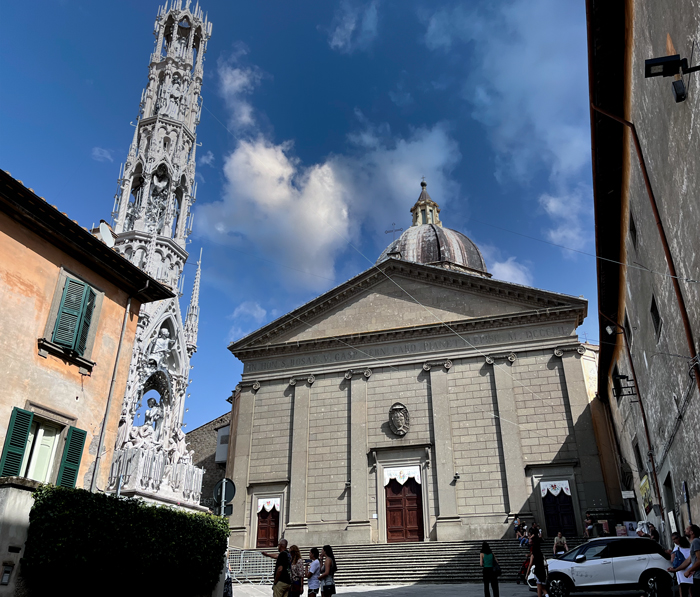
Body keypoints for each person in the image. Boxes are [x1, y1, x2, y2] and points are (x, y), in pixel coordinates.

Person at [667, 532, 693, 597]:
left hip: (681, 572)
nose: (674, 541)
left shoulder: (676, 549)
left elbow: (672, 560)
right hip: (691, 571)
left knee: (682, 590)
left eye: (674, 539)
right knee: (691, 590)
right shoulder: (691, 548)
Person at [682, 524, 700, 592]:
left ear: (692, 532)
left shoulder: (695, 541)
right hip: (696, 576)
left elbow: (699, 560)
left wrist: (689, 570)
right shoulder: (694, 543)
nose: (684, 530)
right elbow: (689, 560)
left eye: (687, 529)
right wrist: (675, 570)